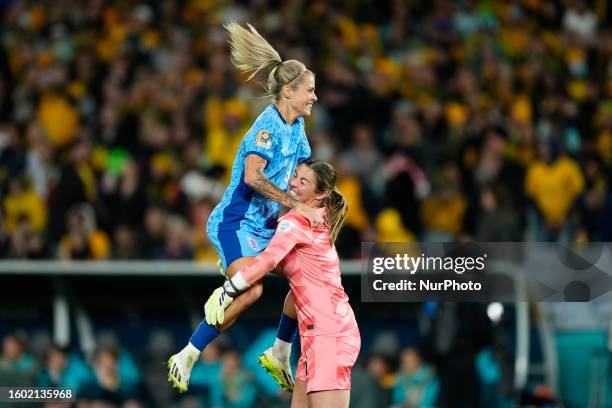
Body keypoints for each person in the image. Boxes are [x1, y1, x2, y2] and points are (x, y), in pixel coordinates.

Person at [168, 22, 323, 393]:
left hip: (267, 230)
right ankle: (188, 353)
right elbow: (253, 177)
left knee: (307, 279)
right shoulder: (266, 127)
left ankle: (280, 351)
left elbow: (301, 177)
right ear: (289, 91)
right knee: (251, 291)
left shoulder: (297, 127)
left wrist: (321, 201)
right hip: (236, 224)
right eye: (310, 91)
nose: (315, 97)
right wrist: (294, 206)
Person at [205, 161, 360, 408]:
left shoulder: (296, 222)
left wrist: (228, 290)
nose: (294, 184)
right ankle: (280, 351)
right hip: (318, 335)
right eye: (295, 177)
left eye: (304, 182)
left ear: (321, 194)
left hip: (329, 335)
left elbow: (268, 261)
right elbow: (294, 289)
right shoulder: (308, 220)